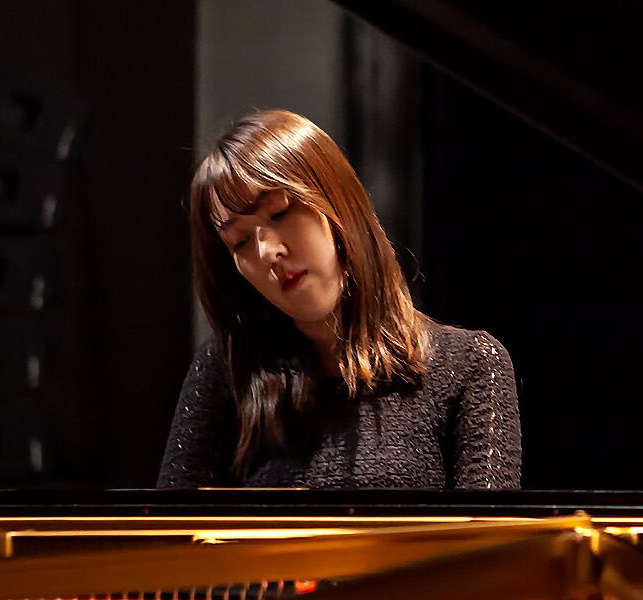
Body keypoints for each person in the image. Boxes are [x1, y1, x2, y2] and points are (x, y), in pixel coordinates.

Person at [157, 110, 522, 488]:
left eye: (280, 213)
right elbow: (167, 540)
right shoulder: (227, 368)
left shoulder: (470, 363)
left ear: (337, 202)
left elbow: (493, 541)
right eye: (241, 241)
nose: (266, 252)